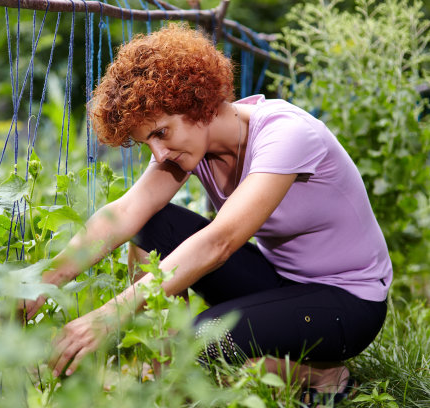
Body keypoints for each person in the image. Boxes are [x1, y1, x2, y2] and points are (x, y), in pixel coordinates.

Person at [20, 23, 392, 406]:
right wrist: (44, 279)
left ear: (197, 103)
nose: (158, 154)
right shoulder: (192, 148)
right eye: (147, 141)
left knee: (204, 336)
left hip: (349, 302)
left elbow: (221, 241)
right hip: (280, 281)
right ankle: (167, 364)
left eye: (161, 133)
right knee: (153, 223)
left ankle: (324, 375)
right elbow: (126, 212)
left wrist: (112, 313)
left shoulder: (286, 136)